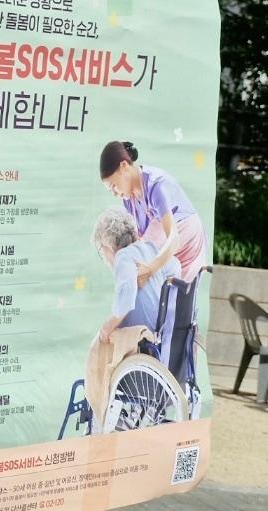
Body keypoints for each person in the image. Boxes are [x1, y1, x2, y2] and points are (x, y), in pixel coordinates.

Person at [86, 208, 183, 429]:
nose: (104, 260)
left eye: (101, 253)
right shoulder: (149, 249)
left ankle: (99, 412)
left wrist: (106, 328)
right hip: (160, 338)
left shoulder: (123, 258)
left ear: (107, 246)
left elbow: (125, 301)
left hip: (142, 345)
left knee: (97, 353)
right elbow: (175, 266)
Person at [99, 140, 206, 283]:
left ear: (124, 166)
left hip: (187, 240)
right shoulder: (127, 199)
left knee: (174, 296)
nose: (114, 193)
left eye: (114, 186)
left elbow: (173, 239)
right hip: (163, 251)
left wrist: (149, 270)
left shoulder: (157, 185)